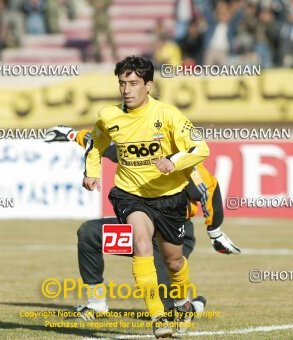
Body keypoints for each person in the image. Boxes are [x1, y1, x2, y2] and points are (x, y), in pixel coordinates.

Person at [45, 125, 241, 323]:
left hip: (170, 234)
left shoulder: (184, 162)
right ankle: (96, 304)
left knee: (168, 312)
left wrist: (214, 231)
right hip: (138, 230)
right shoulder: (133, 151)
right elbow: (100, 142)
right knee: (90, 233)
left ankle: (193, 305)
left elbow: (208, 189)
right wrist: (70, 134)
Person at [83, 56, 210, 337]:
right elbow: (95, 144)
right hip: (130, 195)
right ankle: (158, 318)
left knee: (173, 261)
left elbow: (201, 149)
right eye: (122, 83)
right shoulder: (108, 116)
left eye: (133, 83)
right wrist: (92, 171)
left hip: (169, 198)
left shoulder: (169, 115)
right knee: (141, 241)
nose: (126, 90)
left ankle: (183, 302)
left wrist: (173, 162)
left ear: (148, 85)